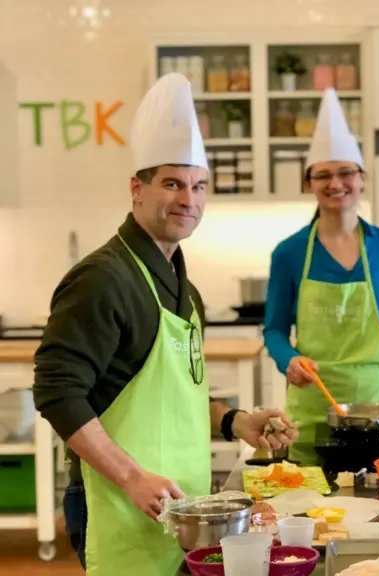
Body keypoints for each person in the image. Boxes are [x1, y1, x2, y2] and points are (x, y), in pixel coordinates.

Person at [32, 73, 296, 576]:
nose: (188, 200)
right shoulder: (103, 278)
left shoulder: (184, 290)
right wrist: (131, 477)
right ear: (137, 188)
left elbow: (176, 396)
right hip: (118, 502)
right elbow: (56, 391)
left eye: (199, 186)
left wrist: (235, 421)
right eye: (172, 184)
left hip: (181, 505)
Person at [264, 88, 379, 464]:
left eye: (346, 173)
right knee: (310, 495)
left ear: (362, 178)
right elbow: (274, 330)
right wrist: (288, 360)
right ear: (309, 183)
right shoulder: (289, 253)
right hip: (315, 400)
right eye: (323, 175)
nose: (335, 183)